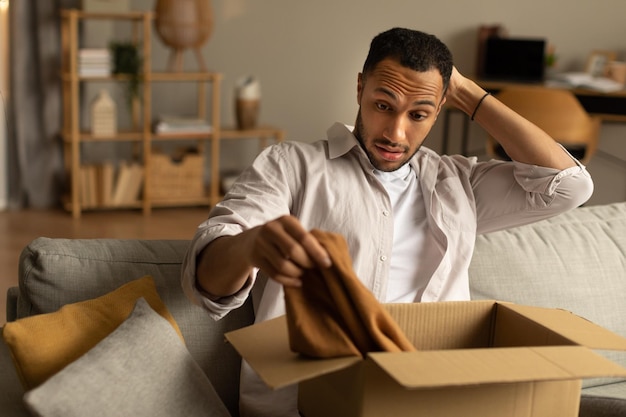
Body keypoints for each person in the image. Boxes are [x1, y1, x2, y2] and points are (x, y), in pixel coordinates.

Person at [181, 27, 593, 417]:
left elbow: (571, 187)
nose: (395, 132)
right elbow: (206, 282)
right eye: (384, 105)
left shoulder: (459, 184)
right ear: (360, 88)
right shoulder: (292, 167)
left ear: (440, 108)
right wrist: (251, 245)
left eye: (419, 114)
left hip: (434, 400)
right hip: (310, 402)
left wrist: (467, 93)